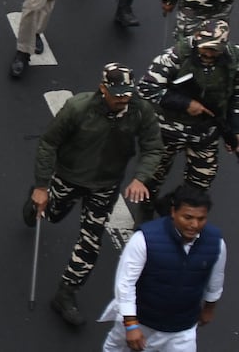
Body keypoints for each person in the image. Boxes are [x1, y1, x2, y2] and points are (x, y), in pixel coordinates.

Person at [28, 63, 164, 327]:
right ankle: (32, 204)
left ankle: (66, 293)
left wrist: (140, 178)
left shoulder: (140, 111)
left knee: (91, 240)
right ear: (103, 89)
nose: (123, 99)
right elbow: (48, 142)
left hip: (105, 185)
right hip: (69, 177)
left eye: (127, 93)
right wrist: (41, 186)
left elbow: (153, 148)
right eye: (117, 93)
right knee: (51, 214)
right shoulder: (77, 108)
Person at [102, 183, 226, 351]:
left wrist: (209, 308)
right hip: (142, 321)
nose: (194, 225)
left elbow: (216, 279)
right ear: (173, 213)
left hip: (182, 328)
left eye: (201, 219)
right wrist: (131, 325)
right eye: (188, 217)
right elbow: (125, 283)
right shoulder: (144, 239)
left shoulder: (216, 243)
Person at [136, 19, 239, 210]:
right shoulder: (175, 56)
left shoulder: (234, 59)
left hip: (206, 132)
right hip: (168, 130)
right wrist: (185, 104)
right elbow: (146, 88)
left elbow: (236, 95)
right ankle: (146, 214)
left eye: (214, 50)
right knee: (153, 177)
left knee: (200, 185)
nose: (208, 54)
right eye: (205, 48)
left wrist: (235, 128)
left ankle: (174, 208)